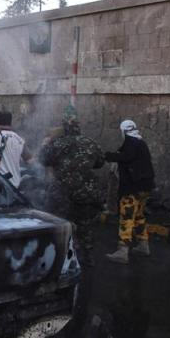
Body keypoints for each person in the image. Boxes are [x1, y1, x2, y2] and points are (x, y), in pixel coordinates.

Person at [40, 108, 105, 266]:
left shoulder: (58, 143)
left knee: (59, 224)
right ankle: (88, 257)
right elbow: (100, 162)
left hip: (63, 193)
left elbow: (42, 160)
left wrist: (45, 144)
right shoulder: (89, 142)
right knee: (85, 226)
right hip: (87, 192)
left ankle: (60, 258)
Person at [104, 120, 155, 264]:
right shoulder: (141, 142)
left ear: (123, 131)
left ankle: (122, 251)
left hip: (133, 187)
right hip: (145, 187)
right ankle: (143, 245)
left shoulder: (130, 142)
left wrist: (107, 155)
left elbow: (125, 157)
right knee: (138, 215)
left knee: (127, 216)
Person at [0, 111, 32, 188]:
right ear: (10, 123)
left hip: (0, 185)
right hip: (15, 188)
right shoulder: (19, 139)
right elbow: (30, 161)